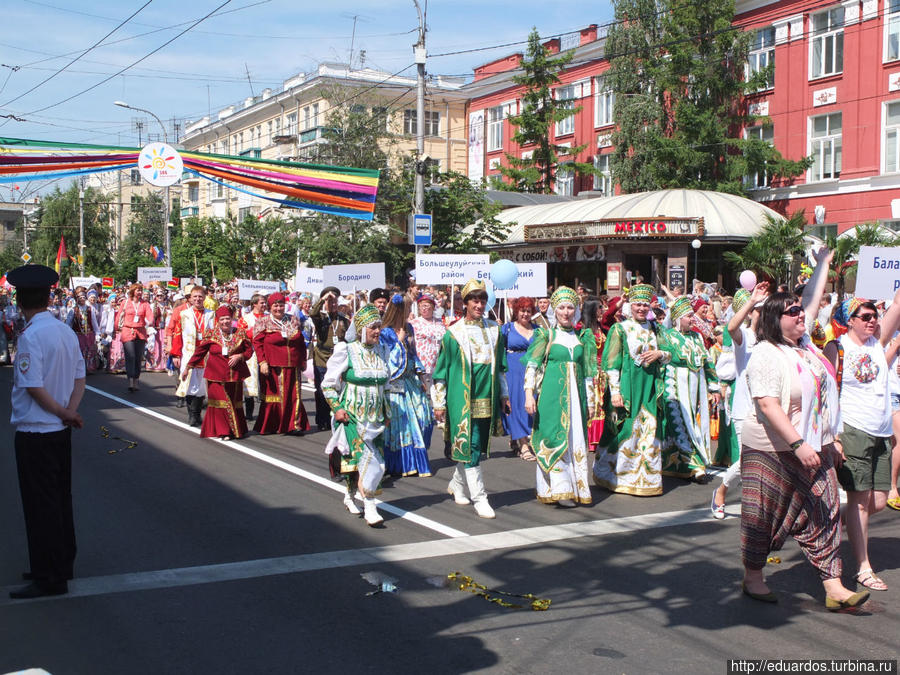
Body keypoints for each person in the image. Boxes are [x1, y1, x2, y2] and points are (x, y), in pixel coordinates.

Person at [740, 292, 868, 611]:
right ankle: (753, 576)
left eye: (801, 309)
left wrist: (831, 440)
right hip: (771, 448)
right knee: (763, 517)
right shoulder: (765, 354)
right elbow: (768, 405)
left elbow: (824, 402)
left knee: (825, 510)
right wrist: (798, 444)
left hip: (815, 446)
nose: (801, 315)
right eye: (792, 311)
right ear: (774, 319)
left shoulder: (807, 350)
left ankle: (834, 586)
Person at [8, 264, 85, 599]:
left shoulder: (31, 336)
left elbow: (33, 386)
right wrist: (70, 411)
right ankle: (60, 562)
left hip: (36, 429)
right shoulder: (64, 332)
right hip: (59, 430)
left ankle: (49, 575)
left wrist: (62, 411)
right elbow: (80, 378)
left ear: (20, 301)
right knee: (60, 499)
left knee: (40, 505)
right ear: (49, 297)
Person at [824, 292, 900, 592]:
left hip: (881, 434)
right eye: (865, 317)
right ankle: (863, 567)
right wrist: (835, 437)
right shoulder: (837, 348)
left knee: (877, 502)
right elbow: (826, 394)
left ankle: (827, 522)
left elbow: (897, 306)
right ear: (850, 321)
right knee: (860, 503)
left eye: (874, 316)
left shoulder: (877, 344)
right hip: (853, 430)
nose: (872, 321)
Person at [432, 279, 509, 518]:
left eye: (483, 299)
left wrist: (504, 394)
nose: (479, 304)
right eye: (475, 300)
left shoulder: (495, 330)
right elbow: (441, 372)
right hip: (463, 397)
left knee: (475, 446)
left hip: (488, 394)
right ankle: (480, 497)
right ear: (465, 303)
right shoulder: (453, 333)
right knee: (472, 443)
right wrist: (438, 402)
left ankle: (457, 483)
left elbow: (500, 369)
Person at [593, 284, 670, 496]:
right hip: (628, 386)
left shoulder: (656, 329)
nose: (642, 308)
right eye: (638, 304)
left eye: (645, 305)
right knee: (625, 429)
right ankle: (614, 475)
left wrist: (659, 354)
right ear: (630, 305)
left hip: (649, 386)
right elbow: (611, 362)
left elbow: (671, 353)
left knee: (649, 429)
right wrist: (615, 391)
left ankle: (645, 480)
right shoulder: (620, 329)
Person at [524, 287, 597, 506]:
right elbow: (532, 365)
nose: (566, 312)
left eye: (570, 308)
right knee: (553, 436)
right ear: (555, 311)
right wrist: (529, 395)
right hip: (551, 396)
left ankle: (575, 487)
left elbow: (589, 373)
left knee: (574, 437)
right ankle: (559, 486)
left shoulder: (583, 337)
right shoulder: (546, 334)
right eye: (562, 308)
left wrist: (591, 401)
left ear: (575, 311)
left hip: (577, 397)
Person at [322, 304, 392, 526]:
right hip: (352, 415)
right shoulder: (347, 350)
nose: (377, 331)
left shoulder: (383, 351)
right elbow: (328, 384)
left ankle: (350, 495)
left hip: (376, 418)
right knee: (368, 462)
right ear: (362, 329)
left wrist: (387, 411)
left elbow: (387, 386)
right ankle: (370, 507)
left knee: (362, 462)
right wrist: (337, 408)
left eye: (379, 327)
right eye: (373, 327)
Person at [659, 296, 720, 483]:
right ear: (677, 318)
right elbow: (666, 359)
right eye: (688, 316)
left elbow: (708, 362)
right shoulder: (667, 336)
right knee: (681, 423)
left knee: (689, 421)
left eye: (692, 315)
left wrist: (714, 386)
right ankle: (695, 466)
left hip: (694, 388)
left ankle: (673, 464)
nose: (692, 319)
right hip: (673, 387)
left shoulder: (697, 337)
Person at [380, 294, 434, 477]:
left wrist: (420, 376)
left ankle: (415, 458)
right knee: (400, 425)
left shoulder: (409, 327)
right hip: (394, 384)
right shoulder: (385, 332)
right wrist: (399, 341)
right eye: (408, 308)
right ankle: (402, 462)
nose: (410, 312)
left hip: (410, 380)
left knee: (423, 417)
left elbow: (413, 353)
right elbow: (387, 362)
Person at [184, 306, 253, 439]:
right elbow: (200, 352)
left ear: (232, 319)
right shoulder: (211, 334)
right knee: (220, 402)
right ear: (217, 320)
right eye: (222, 319)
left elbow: (249, 351)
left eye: (227, 318)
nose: (225, 322)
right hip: (215, 376)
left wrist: (240, 356)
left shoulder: (240, 333)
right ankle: (224, 430)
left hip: (235, 375)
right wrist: (188, 367)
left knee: (233, 402)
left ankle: (236, 430)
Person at [253, 292, 309, 435]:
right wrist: (262, 362)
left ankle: (293, 425)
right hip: (273, 367)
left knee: (294, 395)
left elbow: (301, 343)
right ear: (270, 307)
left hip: (293, 366)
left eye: (281, 305)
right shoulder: (263, 322)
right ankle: (274, 425)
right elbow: (257, 343)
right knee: (275, 397)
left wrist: (303, 360)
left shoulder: (293, 320)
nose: (278, 308)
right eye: (275, 306)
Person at [172, 286, 214, 427]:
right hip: (189, 353)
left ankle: (197, 414)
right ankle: (191, 415)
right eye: (195, 296)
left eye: (200, 296)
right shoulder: (184, 314)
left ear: (204, 298)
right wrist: (176, 354)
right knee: (189, 385)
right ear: (190, 298)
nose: (197, 299)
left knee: (202, 386)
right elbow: (177, 335)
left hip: (206, 355)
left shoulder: (211, 314)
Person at [502, 296, 538, 461]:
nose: (525, 314)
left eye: (528, 311)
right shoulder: (507, 329)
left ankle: (523, 439)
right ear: (516, 312)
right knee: (517, 407)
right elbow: (498, 351)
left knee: (532, 406)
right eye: (522, 310)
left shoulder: (539, 330)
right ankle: (523, 445)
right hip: (513, 371)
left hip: (533, 372)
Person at [311, 286, 350, 431]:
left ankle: (335, 416)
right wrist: (322, 299)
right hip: (323, 357)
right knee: (322, 390)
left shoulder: (344, 320)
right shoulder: (321, 318)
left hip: (339, 358)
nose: (333, 305)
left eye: (335, 302)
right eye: (330, 302)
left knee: (337, 389)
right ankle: (322, 419)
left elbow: (349, 338)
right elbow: (312, 313)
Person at [582, 297, 608, 451]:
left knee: (603, 405)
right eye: (600, 307)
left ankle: (602, 437)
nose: (602, 310)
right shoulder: (583, 329)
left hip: (603, 373)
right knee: (594, 404)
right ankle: (592, 439)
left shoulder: (601, 327)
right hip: (591, 372)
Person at [119, 283, 155, 393]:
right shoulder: (125, 303)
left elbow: (150, 316)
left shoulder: (144, 304)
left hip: (140, 332)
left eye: (141, 290)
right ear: (133, 291)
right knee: (131, 355)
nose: (140, 292)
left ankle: (136, 379)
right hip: (127, 330)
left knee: (138, 357)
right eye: (138, 290)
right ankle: (130, 379)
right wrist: (116, 328)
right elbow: (119, 315)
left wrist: (149, 323)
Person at [410, 291, 446, 395]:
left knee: (437, 394)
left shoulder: (440, 323)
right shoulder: (414, 323)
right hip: (422, 365)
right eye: (421, 306)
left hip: (437, 364)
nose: (424, 308)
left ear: (433, 307)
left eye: (427, 305)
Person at [238, 293, 267, 421]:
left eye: (265, 303)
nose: (264, 305)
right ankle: (249, 413)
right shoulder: (246, 318)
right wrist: (256, 330)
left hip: (266, 352)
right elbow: (241, 334)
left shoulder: (268, 317)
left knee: (265, 381)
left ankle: (265, 412)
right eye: (262, 303)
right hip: (251, 352)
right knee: (250, 383)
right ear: (254, 304)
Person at [65, 286, 99, 374]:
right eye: (80, 298)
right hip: (78, 335)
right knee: (80, 352)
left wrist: (97, 333)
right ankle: (80, 368)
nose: (82, 299)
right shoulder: (73, 310)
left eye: (84, 297)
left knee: (89, 351)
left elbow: (94, 322)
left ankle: (89, 367)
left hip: (89, 334)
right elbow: (68, 323)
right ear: (77, 299)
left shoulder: (89, 309)